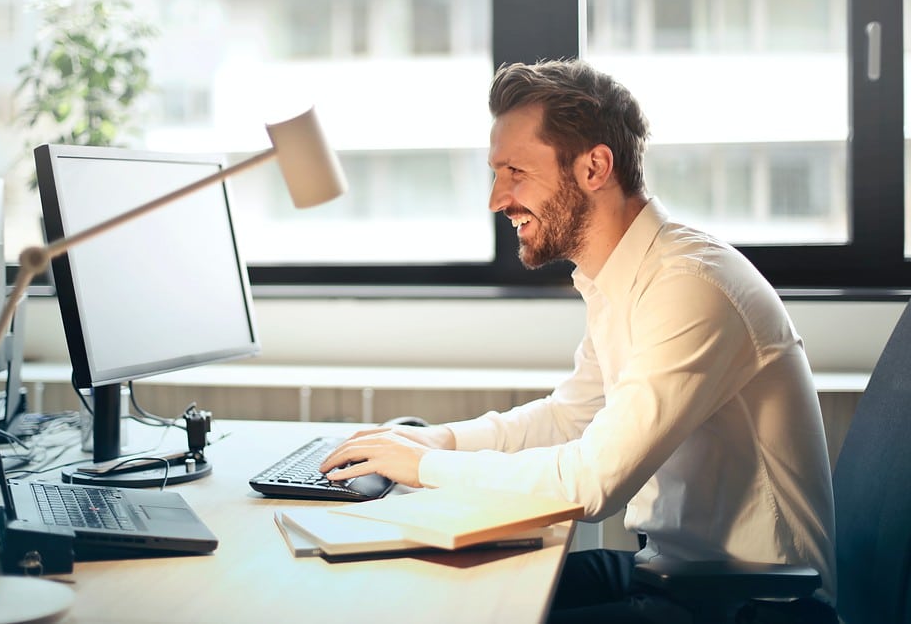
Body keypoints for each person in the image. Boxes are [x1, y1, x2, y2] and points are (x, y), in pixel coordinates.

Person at [320, 59, 837, 623]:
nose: (497, 199)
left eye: (515, 171)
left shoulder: (691, 287)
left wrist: (422, 468)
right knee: (434, 590)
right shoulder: (621, 277)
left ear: (595, 167)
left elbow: (593, 483)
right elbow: (571, 418)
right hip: (673, 573)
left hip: (751, 602)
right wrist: (436, 441)